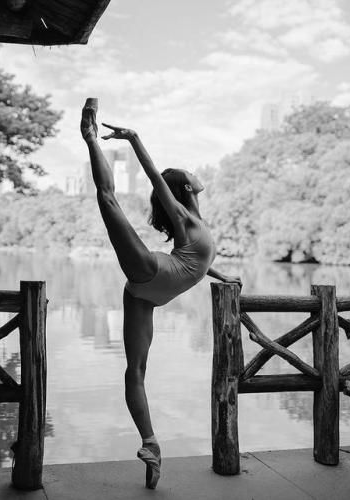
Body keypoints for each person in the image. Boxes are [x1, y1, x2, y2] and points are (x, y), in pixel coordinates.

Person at [80, 98, 242, 489]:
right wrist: (134, 139)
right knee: (107, 199)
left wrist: (223, 276)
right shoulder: (185, 216)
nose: (195, 174)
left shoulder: (198, 224)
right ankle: (89, 136)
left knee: (136, 371)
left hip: (146, 295)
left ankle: (150, 446)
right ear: (186, 187)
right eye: (189, 175)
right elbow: (156, 177)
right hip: (151, 272)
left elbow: (196, 264)